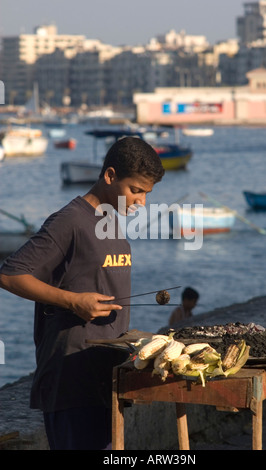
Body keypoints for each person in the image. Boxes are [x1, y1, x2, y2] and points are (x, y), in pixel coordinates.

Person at [0, 136, 165, 450]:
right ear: (110, 176)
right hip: (71, 382)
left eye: (147, 193)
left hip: (106, 378)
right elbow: (9, 274)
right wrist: (73, 300)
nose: (141, 202)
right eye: (136, 190)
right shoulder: (69, 221)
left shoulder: (110, 221)